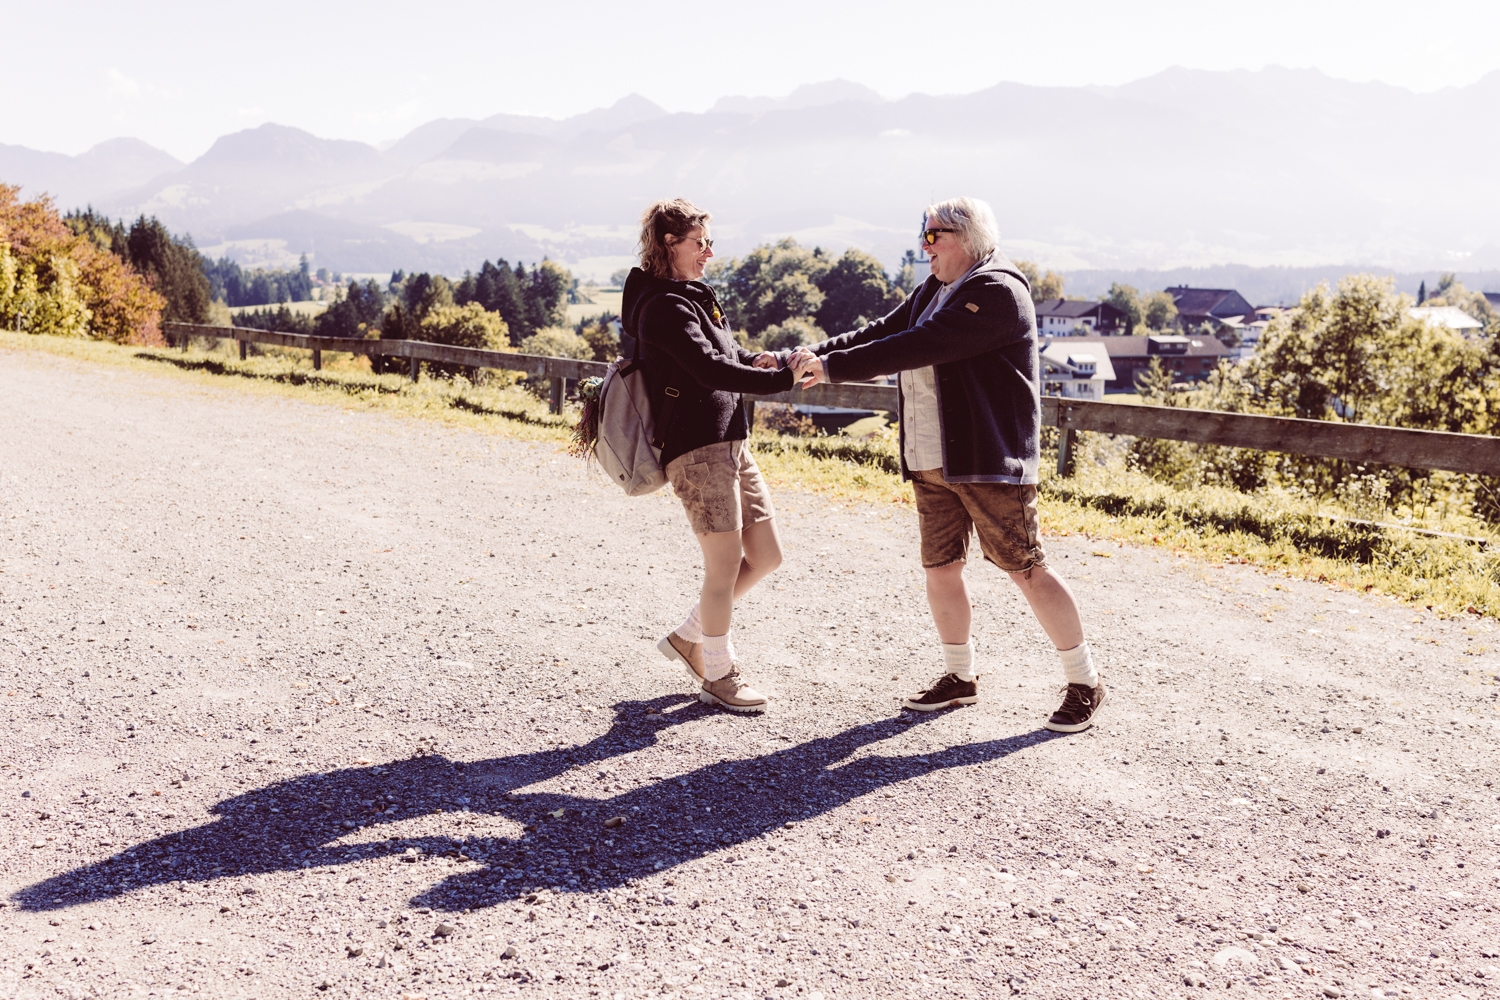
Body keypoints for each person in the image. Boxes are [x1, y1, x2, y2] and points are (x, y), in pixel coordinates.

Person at [789, 197, 1106, 733]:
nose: (924, 246)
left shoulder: (997, 291)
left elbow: (918, 345)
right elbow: (878, 333)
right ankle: (959, 677)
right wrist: (802, 357)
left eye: (934, 235)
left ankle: (1086, 682)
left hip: (985, 460)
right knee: (941, 568)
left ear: (967, 237)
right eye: (924, 234)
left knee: (1026, 568)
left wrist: (831, 367)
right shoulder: (935, 288)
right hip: (931, 456)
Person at [622, 198, 813, 713]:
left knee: (767, 555)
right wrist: (781, 380)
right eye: (700, 243)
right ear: (669, 243)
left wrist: (760, 359)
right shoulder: (662, 307)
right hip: (697, 450)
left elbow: (725, 354)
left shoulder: (692, 295)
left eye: (709, 242)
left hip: (730, 441)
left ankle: (690, 636)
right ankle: (719, 674)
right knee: (724, 566)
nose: (709, 252)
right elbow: (707, 370)